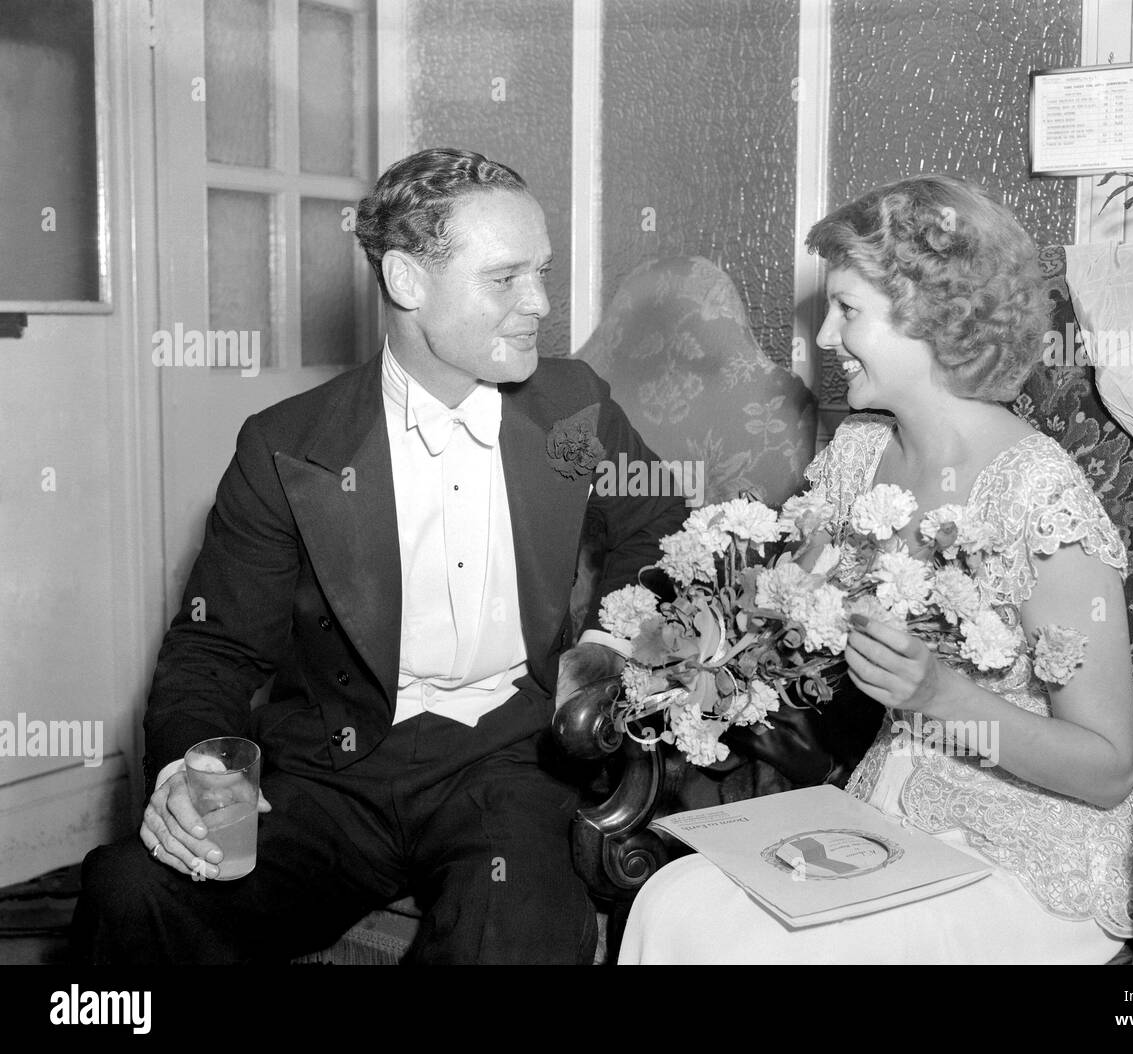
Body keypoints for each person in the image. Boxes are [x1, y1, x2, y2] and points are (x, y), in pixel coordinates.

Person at [73, 147, 687, 965]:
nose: (540, 302)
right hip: (333, 768)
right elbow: (213, 645)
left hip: (512, 756)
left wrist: (609, 645)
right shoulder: (288, 447)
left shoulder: (575, 410)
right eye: (504, 278)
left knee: (507, 936)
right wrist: (194, 768)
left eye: (540, 271)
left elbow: (663, 532)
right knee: (132, 894)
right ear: (406, 279)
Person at [618, 174, 1133, 964]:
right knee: (673, 901)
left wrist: (943, 696)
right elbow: (769, 613)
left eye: (849, 311)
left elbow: (1108, 772)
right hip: (894, 815)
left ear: (935, 320)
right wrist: (655, 655)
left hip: (1035, 855)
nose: (827, 337)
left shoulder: (1041, 498)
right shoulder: (859, 455)